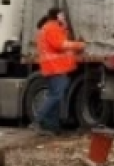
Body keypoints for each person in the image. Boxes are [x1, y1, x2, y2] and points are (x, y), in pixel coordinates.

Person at [32, 7, 85, 135]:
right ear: (56, 16)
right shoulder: (51, 27)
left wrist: (65, 27)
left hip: (53, 67)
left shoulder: (50, 28)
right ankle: (37, 120)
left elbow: (61, 40)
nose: (64, 17)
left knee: (55, 96)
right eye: (62, 15)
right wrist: (79, 45)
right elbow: (60, 44)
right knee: (56, 96)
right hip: (56, 68)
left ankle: (53, 127)